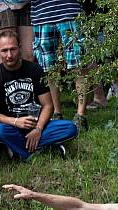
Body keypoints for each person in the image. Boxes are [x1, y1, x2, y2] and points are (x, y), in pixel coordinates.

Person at [0, 30, 77, 161]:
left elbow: (48, 105)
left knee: (70, 128)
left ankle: (20, 149)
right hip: (12, 127)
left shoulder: (34, 70)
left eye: (13, 49)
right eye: (5, 51)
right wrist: (16, 122)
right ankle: (39, 149)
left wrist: (38, 129)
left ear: (20, 48)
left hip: (37, 124)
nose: (9, 55)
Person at [30, 0, 87, 128]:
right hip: (42, 13)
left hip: (70, 9)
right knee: (48, 68)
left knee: (78, 64)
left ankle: (81, 116)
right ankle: (56, 112)